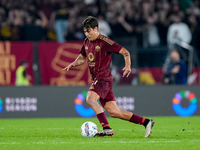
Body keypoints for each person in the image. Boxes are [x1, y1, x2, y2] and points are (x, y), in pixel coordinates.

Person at [63, 16, 154, 137]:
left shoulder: (105, 42)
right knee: (115, 112)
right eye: (84, 31)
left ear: (96, 28)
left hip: (103, 78)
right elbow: (82, 58)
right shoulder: (86, 41)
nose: (87, 34)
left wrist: (128, 65)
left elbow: (124, 51)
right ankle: (146, 122)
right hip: (99, 79)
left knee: (90, 99)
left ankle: (106, 128)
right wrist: (73, 64)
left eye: (88, 31)